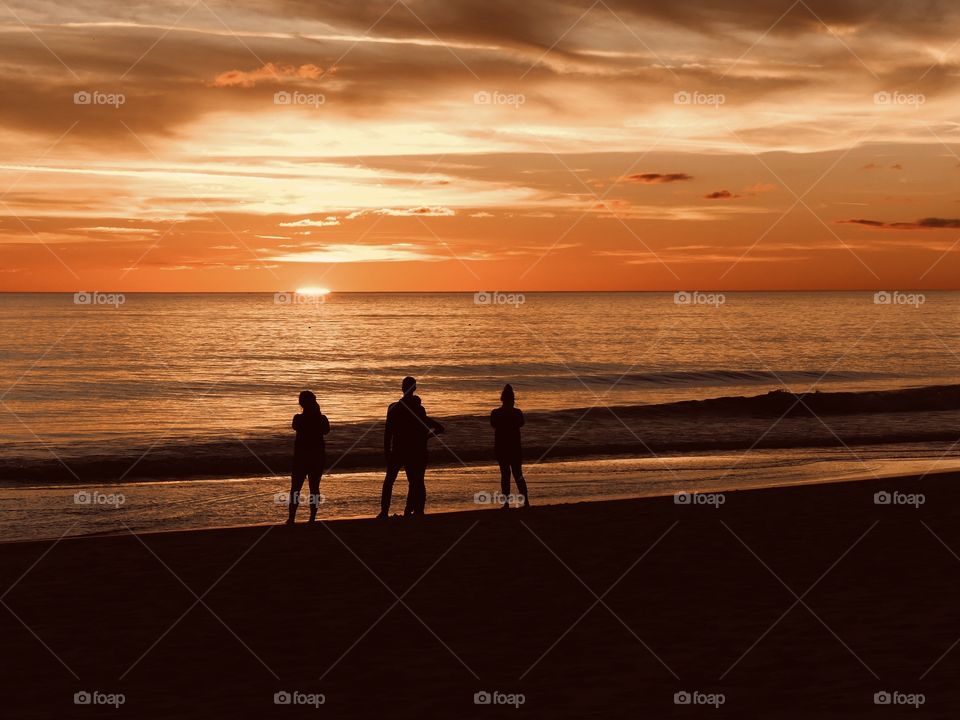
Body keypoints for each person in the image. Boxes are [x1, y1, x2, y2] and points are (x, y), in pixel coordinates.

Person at [378, 376, 444, 518]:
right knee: (415, 481)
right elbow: (437, 428)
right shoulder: (418, 409)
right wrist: (425, 437)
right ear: (414, 389)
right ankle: (411, 510)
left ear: (402, 388)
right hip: (414, 449)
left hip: (399, 448)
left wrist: (386, 451)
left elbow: (387, 432)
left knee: (392, 481)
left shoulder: (394, 408)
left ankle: (386, 511)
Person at [288, 390, 330, 524]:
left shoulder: (298, 419)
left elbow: (295, 427)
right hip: (317, 457)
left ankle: (291, 518)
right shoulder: (322, 419)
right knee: (314, 488)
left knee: (295, 488)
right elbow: (326, 430)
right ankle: (312, 518)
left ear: (301, 403)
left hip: (301, 457)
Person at [490, 384, 529, 508]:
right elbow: (521, 424)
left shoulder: (496, 413)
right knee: (518, 474)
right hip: (514, 447)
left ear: (502, 399)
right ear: (512, 399)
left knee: (505, 475)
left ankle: (506, 503)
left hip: (502, 447)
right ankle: (525, 501)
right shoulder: (517, 413)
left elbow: (494, 425)